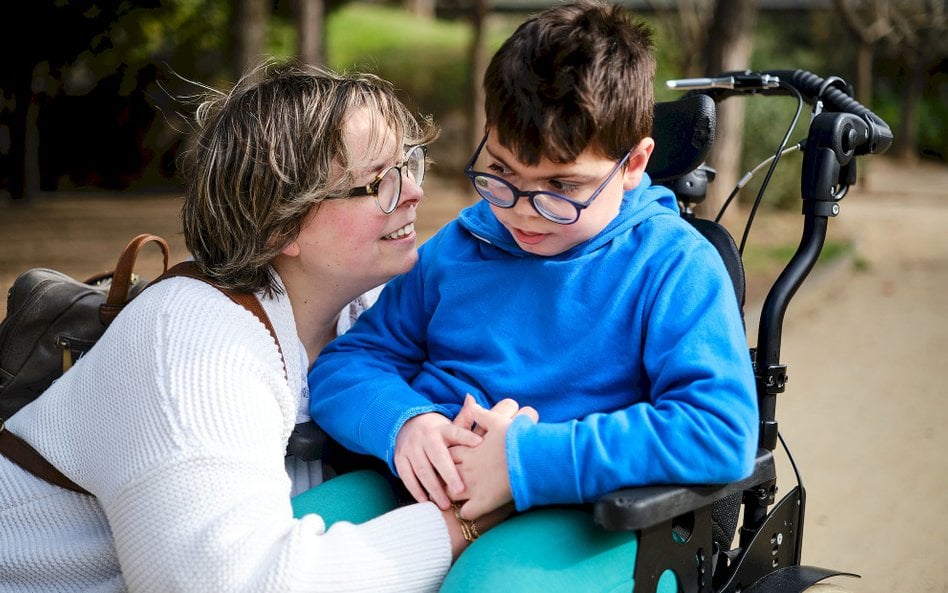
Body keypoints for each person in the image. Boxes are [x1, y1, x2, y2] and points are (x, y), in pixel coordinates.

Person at [0, 62, 527, 593]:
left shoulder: (367, 311)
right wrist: (462, 522)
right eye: (379, 182)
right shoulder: (190, 342)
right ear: (282, 225)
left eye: (409, 164)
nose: (414, 192)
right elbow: (224, 583)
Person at [309, 1, 758, 590]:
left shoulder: (673, 266)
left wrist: (524, 462)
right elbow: (349, 361)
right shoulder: (460, 247)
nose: (522, 210)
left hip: (591, 516)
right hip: (427, 477)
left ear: (633, 165)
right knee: (292, 544)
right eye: (502, 172)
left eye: (561, 186)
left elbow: (718, 430)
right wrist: (406, 424)